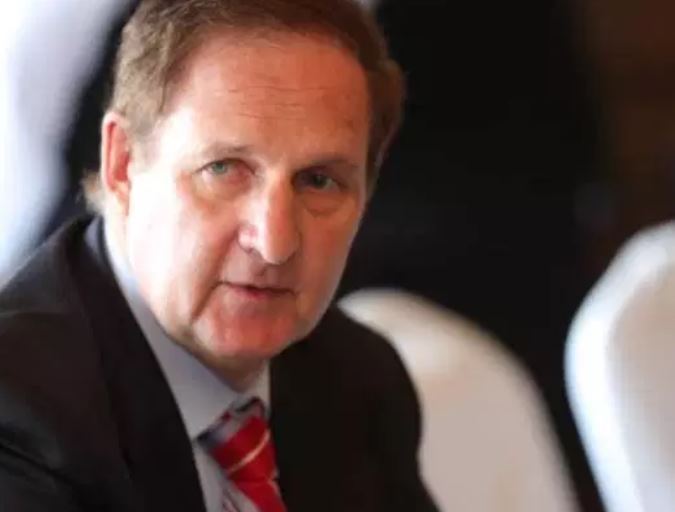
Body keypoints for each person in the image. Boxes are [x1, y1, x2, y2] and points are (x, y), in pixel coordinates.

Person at [0, 1, 438, 511]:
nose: (274, 242)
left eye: (319, 181)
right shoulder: (17, 413)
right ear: (123, 164)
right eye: (224, 169)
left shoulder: (360, 381)